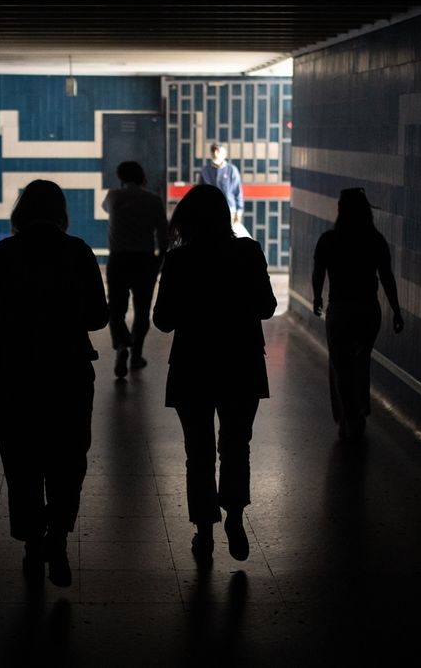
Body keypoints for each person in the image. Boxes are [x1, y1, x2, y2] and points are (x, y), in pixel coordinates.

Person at [0, 179, 108, 587]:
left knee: (21, 458)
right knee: (68, 457)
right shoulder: (79, 251)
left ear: (21, 212)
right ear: (61, 212)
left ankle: (33, 544)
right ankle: (59, 537)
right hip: (68, 370)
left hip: (14, 372)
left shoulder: (3, 253)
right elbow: (99, 317)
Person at [153, 185, 276, 564]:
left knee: (199, 452)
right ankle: (234, 517)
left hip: (193, 366)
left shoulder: (179, 261)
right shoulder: (248, 251)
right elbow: (268, 307)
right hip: (241, 363)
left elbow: (162, 321)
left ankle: (203, 532)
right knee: (237, 444)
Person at [311, 188, 404, 439]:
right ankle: (359, 413)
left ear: (341, 210)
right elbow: (386, 278)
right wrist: (396, 310)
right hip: (367, 311)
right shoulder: (375, 240)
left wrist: (317, 297)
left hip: (340, 310)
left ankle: (348, 416)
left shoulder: (329, 240)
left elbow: (319, 272)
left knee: (341, 365)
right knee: (360, 363)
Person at [101, 160, 169, 378]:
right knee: (142, 311)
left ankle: (121, 345)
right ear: (142, 177)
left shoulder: (113, 197)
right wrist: (159, 262)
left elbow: (105, 209)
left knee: (116, 309)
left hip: (118, 259)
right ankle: (136, 355)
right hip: (144, 261)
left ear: (121, 177)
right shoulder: (154, 200)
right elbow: (163, 235)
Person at [199, 142, 244, 228]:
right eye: (214, 151)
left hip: (229, 210)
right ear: (212, 153)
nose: (216, 154)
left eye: (219, 151)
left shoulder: (231, 170)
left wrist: (239, 211)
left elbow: (237, 191)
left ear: (224, 154)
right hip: (210, 211)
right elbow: (200, 193)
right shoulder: (205, 171)